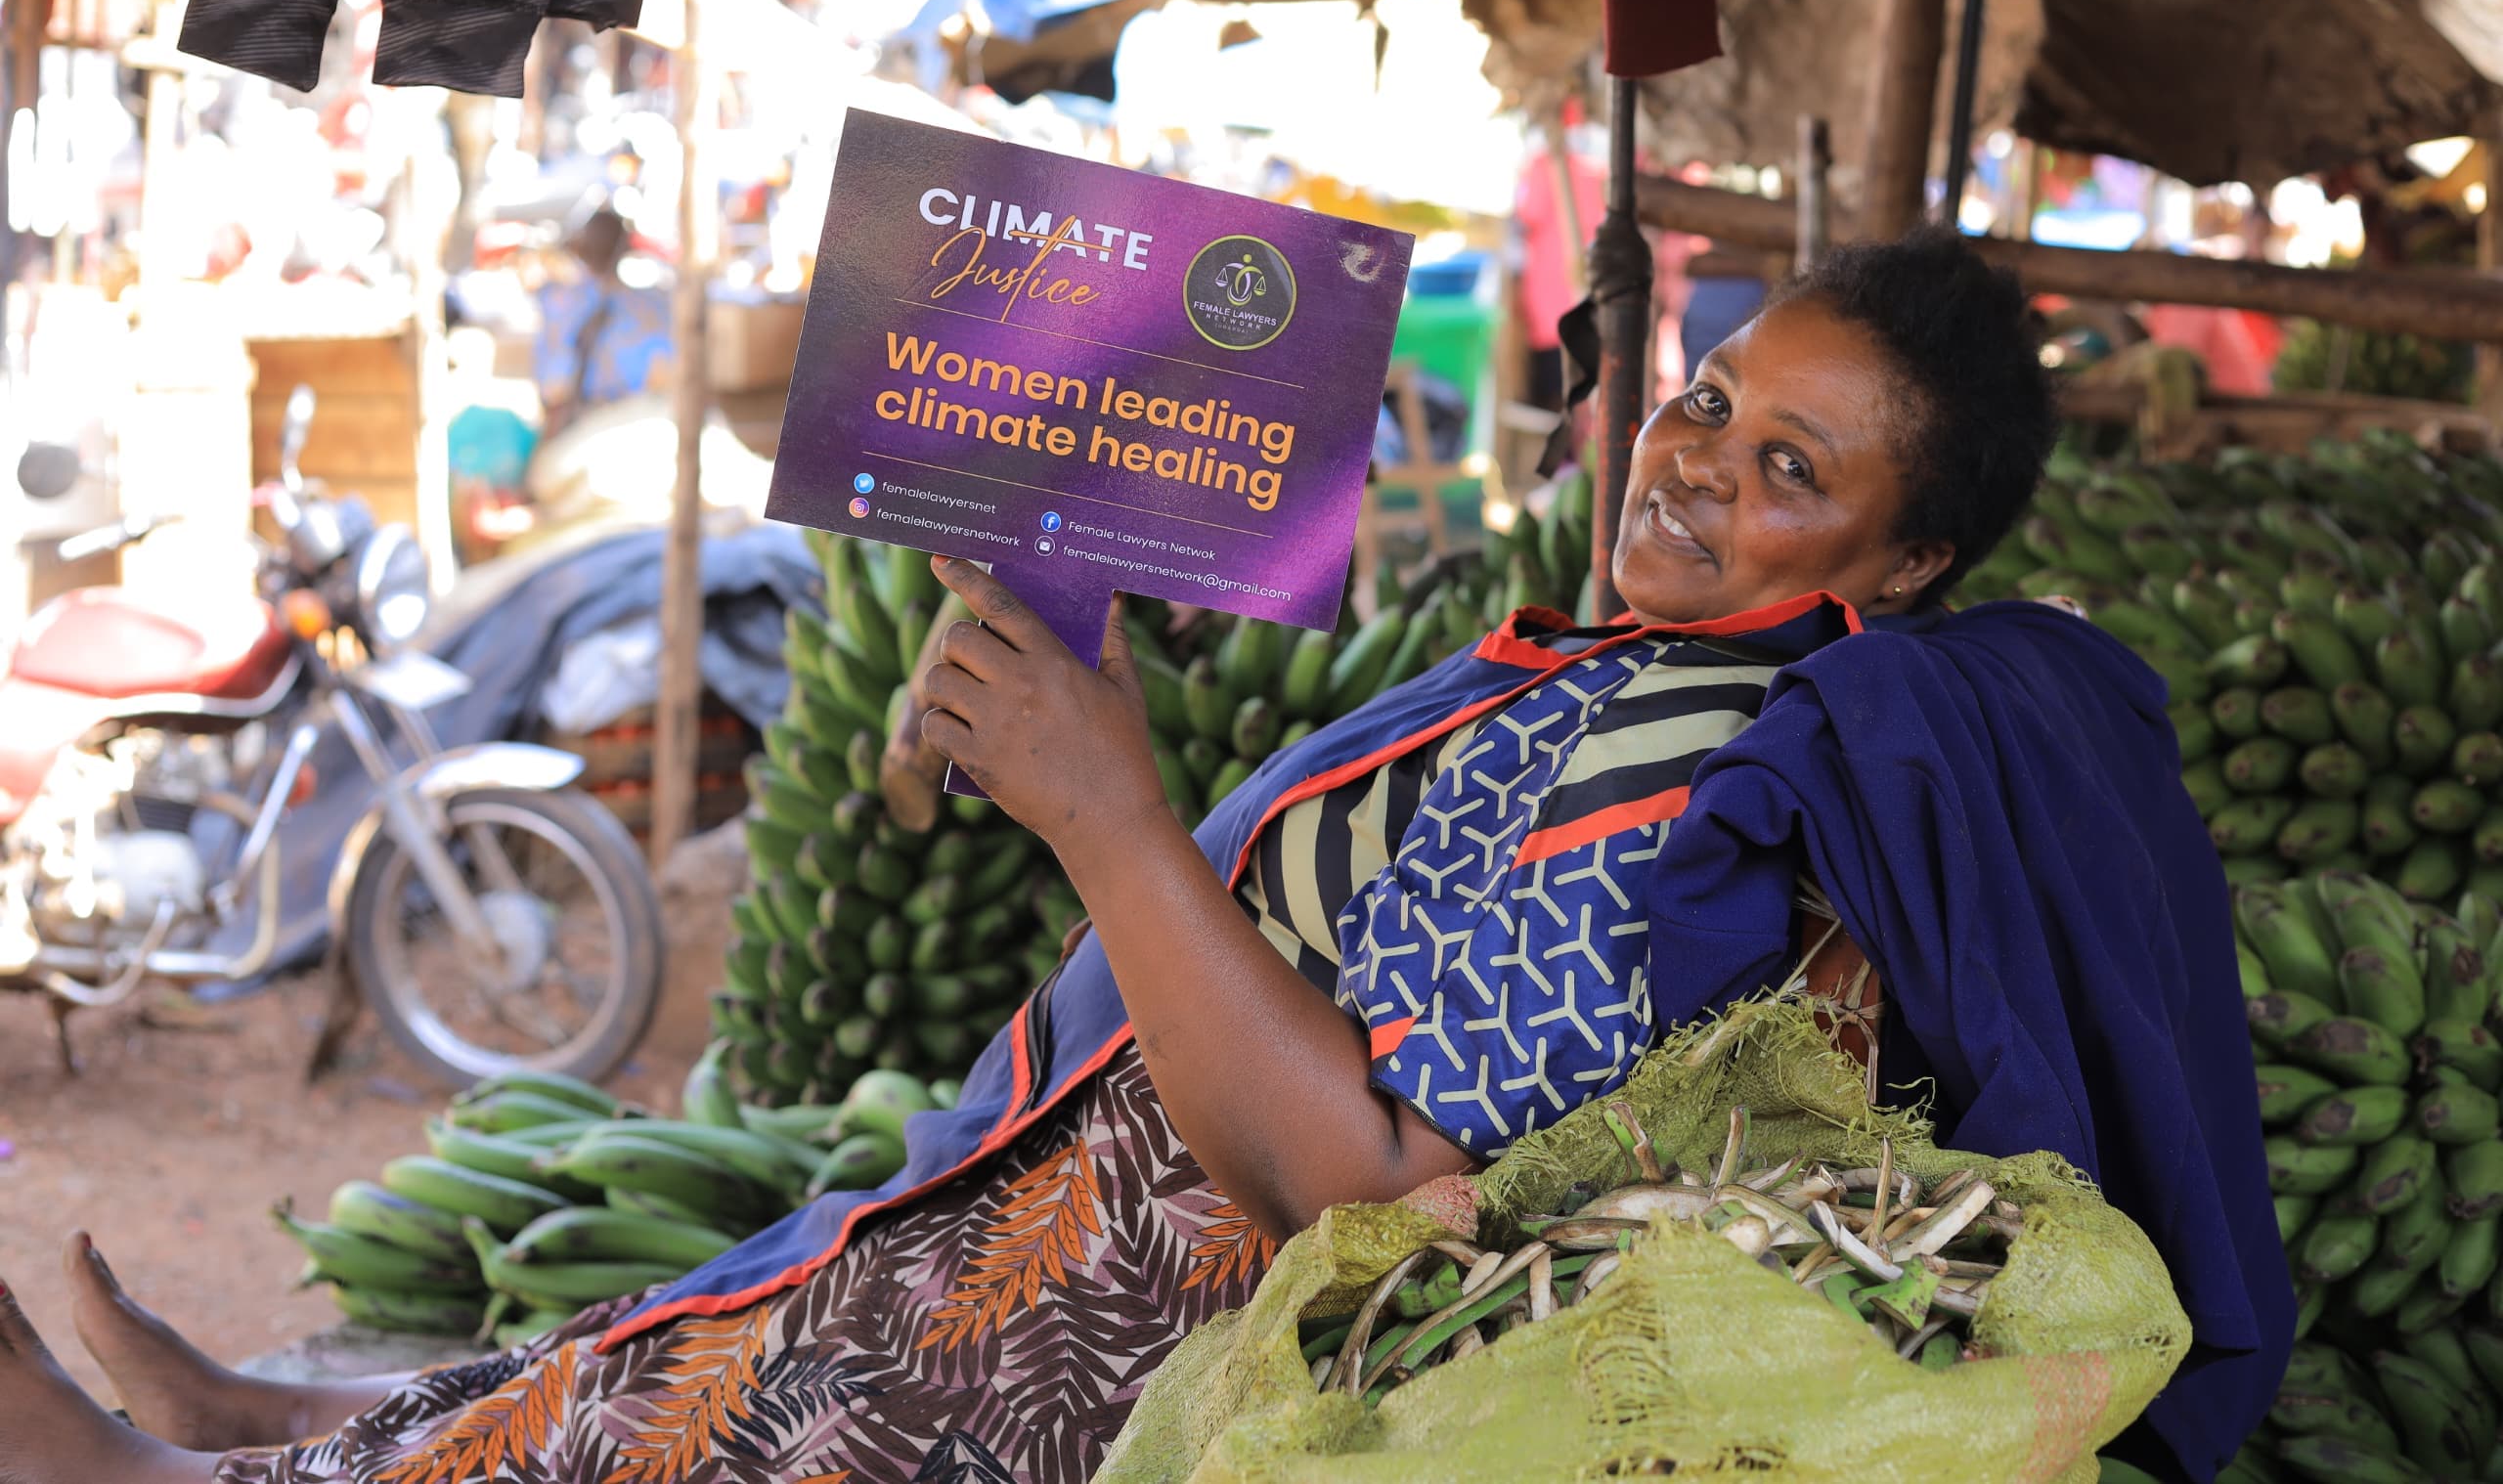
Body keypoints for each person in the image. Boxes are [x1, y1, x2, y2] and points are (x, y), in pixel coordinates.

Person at [0, 229, 2288, 1484]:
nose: (1693, 465)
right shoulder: (1606, 665)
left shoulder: (1690, 775)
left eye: (1786, 464)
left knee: (716, 1405)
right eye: (1704, 397)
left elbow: (1366, 1179)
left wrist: (1102, 807)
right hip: (1073, 1193)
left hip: (1169, 1316)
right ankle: (282, 1433)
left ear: (1894, 563)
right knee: (698, 1322)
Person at [531, 205, 675, 438]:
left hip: (584, 429)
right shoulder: (655, 304)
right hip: (645, 424)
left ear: (580, 249)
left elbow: (551, 389)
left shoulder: (559, 304)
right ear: (627, 249)